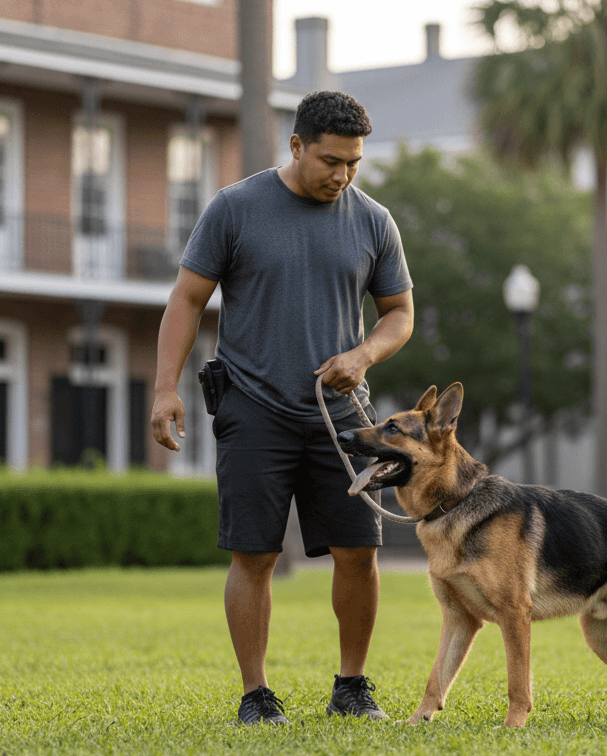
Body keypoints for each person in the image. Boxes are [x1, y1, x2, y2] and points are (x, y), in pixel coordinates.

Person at [150, 91, 414, 725]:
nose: (342, 175)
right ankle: (256, 695)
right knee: (255, 554)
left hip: (343, 417)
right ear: (296, 146)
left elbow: (399, 313)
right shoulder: (235, 208)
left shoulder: (373, 220)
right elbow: (186, 299)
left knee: (359, 551)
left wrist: (364, 355)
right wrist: (164, 388)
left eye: (353, 163)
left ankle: (352, 687)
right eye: (330, 161)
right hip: (253, 408)